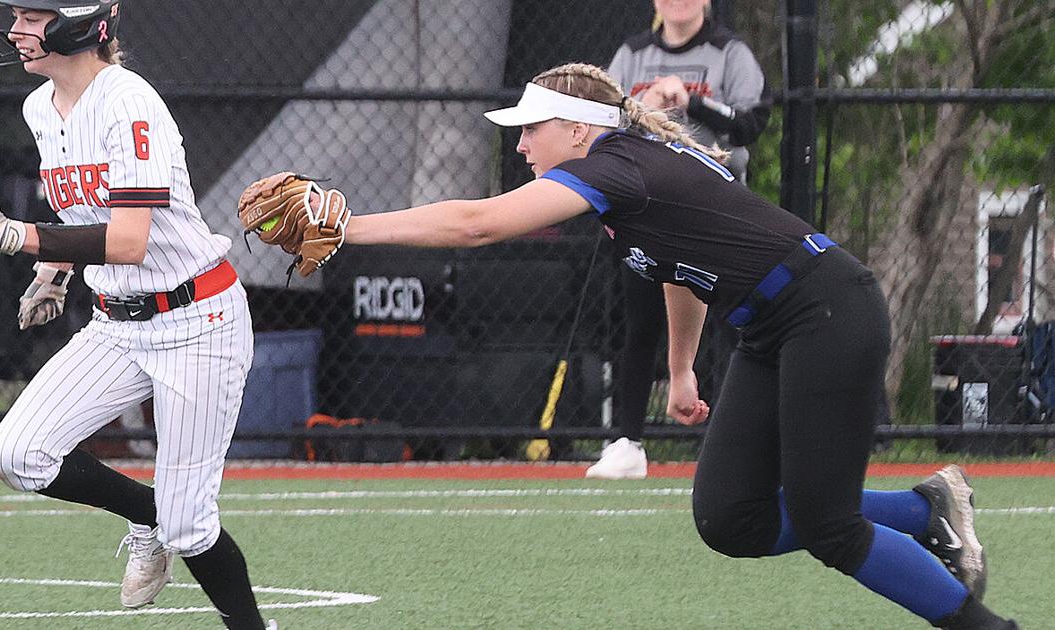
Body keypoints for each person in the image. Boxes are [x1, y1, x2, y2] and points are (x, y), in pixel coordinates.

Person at [247, 62, 1017, 629]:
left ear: (579, 129)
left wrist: (347, 227)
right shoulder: (624, 177)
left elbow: (475, 224)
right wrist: (681, 371)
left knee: (829, 526)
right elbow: (682, 272)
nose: (520, 146)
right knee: (731, 522)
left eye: (530, 129)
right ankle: (927, 509)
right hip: (770, 327)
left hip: (828, 314)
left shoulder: (619, 167)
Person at [0, 2, 275, 628]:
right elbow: (83, 215)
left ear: (82, 22)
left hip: (197, 320)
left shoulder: (129, 101)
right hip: (118, 324)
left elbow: (129, 241)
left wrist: (15, 237)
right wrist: (55, 271)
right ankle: (144, 514)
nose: (16, 30)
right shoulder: (39, 106)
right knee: (18, 453)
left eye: (33, 16)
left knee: (190, 523)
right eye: (15, 14)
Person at [588, 0, 773, 479]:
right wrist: (642, 107)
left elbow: (752, 121)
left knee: (731, 326)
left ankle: (734, 443)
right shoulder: (632, 54)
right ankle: (627, 442)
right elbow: (600, 121)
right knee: (641, 323)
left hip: (715, 210)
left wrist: (691, 102)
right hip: (646, 206)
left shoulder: (729, 51)